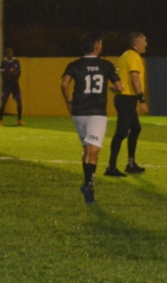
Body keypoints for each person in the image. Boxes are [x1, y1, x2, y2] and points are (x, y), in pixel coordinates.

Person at [61, 33, 123, 203]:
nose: (101, 46)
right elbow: (120, 87)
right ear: (96, 47)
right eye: (100, 44)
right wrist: (115, 89)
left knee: (86, 149)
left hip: (78, 112)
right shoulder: (106, 65)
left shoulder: (75, 64)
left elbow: (64, 83)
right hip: (96, 112)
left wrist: (68, 102)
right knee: (94, 150)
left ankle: (87, 182)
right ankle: (88, 184)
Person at [106, 32, 148, 176]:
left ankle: (130, 164)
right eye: (144, 41)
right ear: (136, 44)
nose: (146, 44)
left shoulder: (125, 55)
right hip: (126, 99)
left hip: (124, 98)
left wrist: (117, 87)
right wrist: (142, 99)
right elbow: (134, 78)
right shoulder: (135, 57)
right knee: (121, 133)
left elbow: (121, 76)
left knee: (135, 129)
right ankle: (111, 167)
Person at [0, 47, 23, 125]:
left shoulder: (16, 61)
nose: (10, 54)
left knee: (19, 102)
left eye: (11, 53)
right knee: (4, 102)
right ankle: (0, 120)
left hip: (15, 85)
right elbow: (2, 74)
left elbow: (19, 71)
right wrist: (9, 73)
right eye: (9, 53)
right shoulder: (3, 63)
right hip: (7, 85)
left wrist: (17, 77)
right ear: (6, 55)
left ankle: (19, 120)